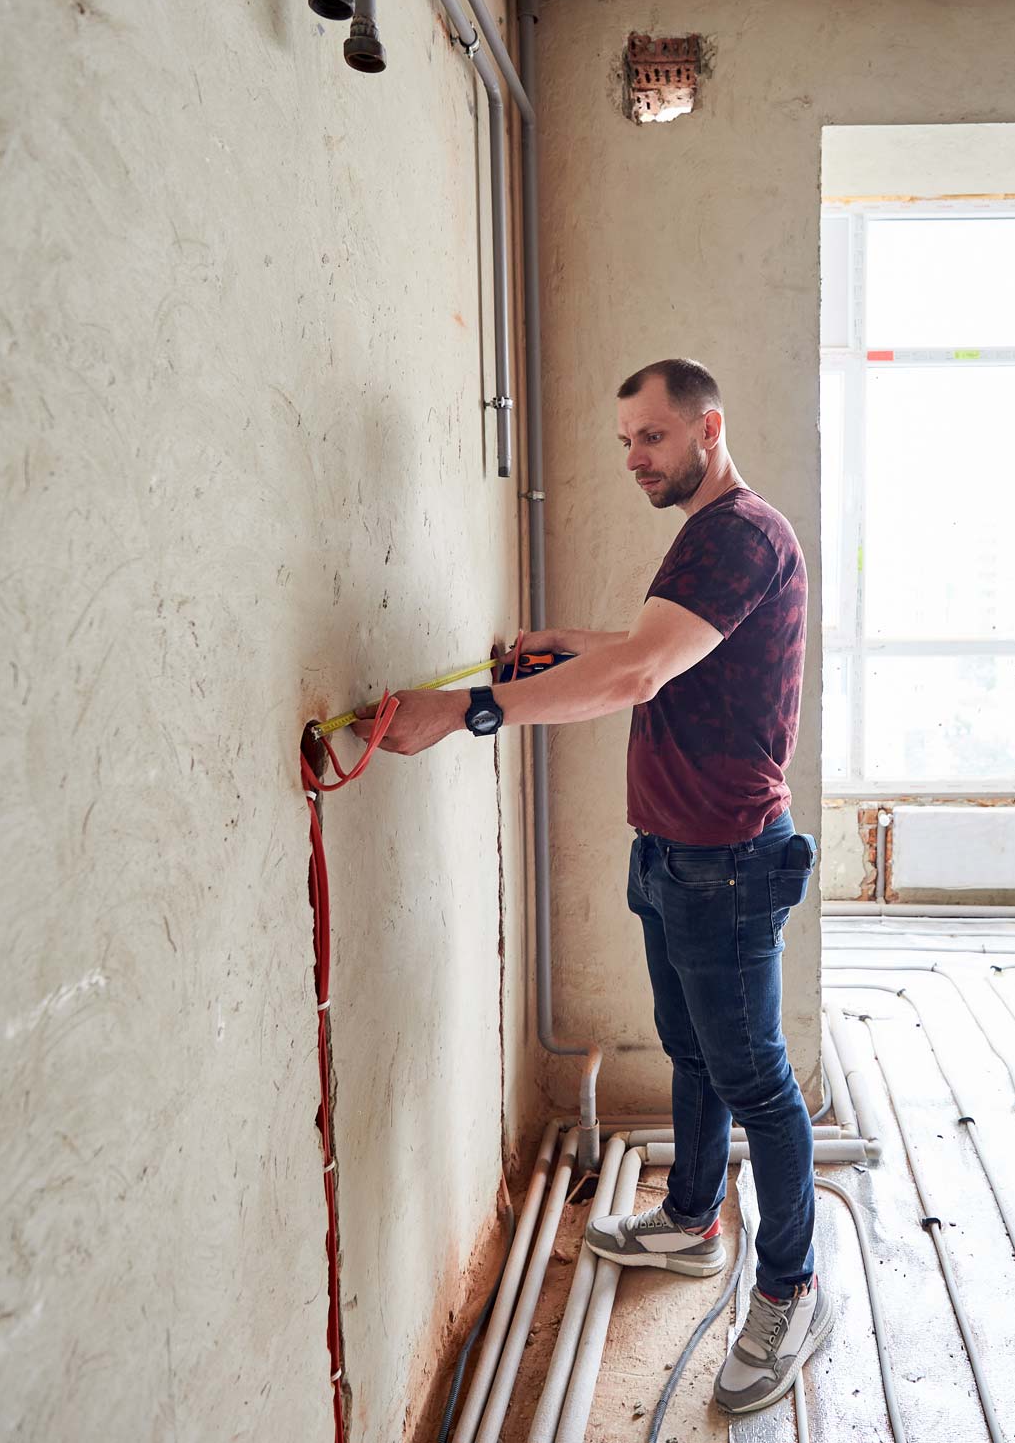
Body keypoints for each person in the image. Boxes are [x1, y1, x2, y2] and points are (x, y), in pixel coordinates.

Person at [351, 357, 829, 1415]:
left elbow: (640, 674)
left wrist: (473, 710)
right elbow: (658, 651)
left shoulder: (741, 533)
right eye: (624, 442)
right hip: (670, 852)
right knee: (695, 1050)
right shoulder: (708, 536)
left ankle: (793, 1289)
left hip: (728, 863)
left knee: (757, 1082)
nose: (633, 459)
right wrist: (579, 643)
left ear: (710, 427)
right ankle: (694, 1220)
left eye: (650, 438)